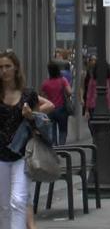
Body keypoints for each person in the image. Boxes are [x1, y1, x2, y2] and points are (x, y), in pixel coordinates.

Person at [1, 50, 55, 229]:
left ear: (16, 68)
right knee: (4, 205)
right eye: (0, 67)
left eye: (7, 66)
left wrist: (31, 115)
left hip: (22, 154)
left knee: (18, 200)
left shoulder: (28, 94)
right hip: (0, 156)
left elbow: (39, 124)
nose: (4, 71)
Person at [40, 59, 73, 145]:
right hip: (61, 109)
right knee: (63, 130)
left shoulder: (45, 83)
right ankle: (62, 147)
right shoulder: (63, 80)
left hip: (50, 109)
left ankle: (55, 147)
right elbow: (69, 92)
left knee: (52, 129)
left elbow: (41, 96)